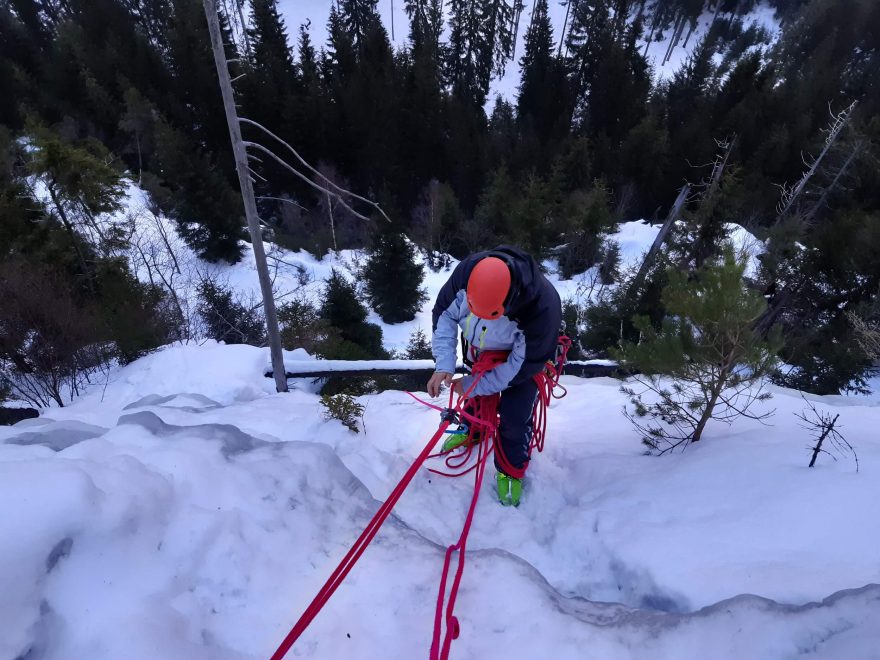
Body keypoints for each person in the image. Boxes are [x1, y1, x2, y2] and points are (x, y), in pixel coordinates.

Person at [427, 246, 562, 506]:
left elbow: (518, 368)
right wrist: (444, 364)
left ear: (508, 303)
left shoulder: (541, 309)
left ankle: (511, 468)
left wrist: (472, 385)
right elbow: (445, 314)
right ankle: (474, 429)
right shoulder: (466, 275)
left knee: (515, 415)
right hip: (482, 351)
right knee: (475, 400)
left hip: (522, 363)